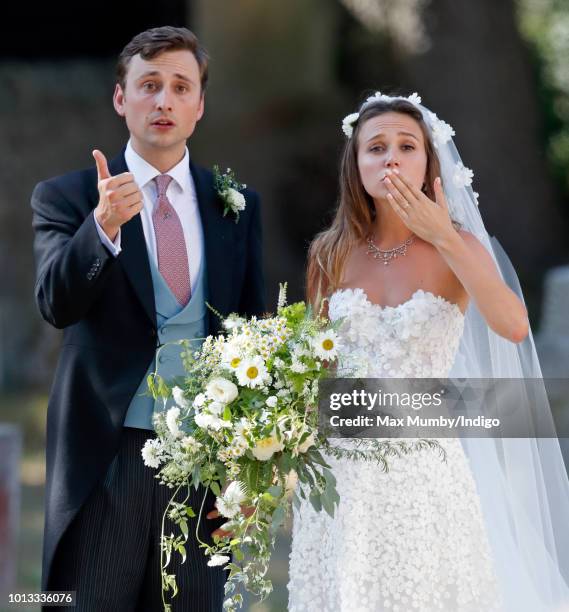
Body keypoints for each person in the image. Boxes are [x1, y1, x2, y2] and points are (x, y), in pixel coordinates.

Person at [288, 92, 569, 611]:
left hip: (425, 467)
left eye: (406, 146)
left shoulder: (457, 245)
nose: (390, 157)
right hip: (339, 475)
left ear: (427, 162)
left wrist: (444, 237)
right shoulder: (330, 253)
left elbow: (512, 325)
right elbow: (317, 369)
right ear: (356, 166)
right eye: (375, 147)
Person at [30, 26, 265, 611]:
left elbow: (254, 331)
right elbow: (56, 305)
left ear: (199, 106)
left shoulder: (234, 204)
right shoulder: (68, 197)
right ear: (121, 98)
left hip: (207, 464)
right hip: (106, 459)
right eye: (149, 85)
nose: (164, 101)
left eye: (180, 87)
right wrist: (102, 228)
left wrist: (253, 466)